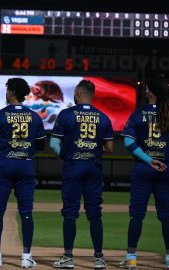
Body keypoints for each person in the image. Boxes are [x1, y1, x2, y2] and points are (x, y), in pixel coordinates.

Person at [118, 78, 169, 270]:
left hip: (144, 168)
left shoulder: (139, 114)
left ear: (152, 92)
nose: (145, 91)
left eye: (147, 89)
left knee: (137, 215)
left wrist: (148, 159)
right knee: (166, 216)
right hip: (165, 169)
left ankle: (131, 259)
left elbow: (129, 143)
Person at [50, 80, 114, 269]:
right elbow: (109, 147)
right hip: (93, 168)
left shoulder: (66, 114)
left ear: (78, 93)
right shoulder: (103, 117)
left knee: (70, 212)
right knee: (94, 212)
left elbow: (54, 144)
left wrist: (66, 156)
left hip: (74, 166)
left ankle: (68, 258)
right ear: (91, 95)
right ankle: (99, 259)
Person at [0, 78, 46, 268]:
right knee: (26, 212)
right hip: (25, 166)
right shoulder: (35, 117)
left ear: (11, 92)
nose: (6, 92)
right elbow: (41, 145)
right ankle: (26, 257)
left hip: (3, 167)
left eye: (7, 89)